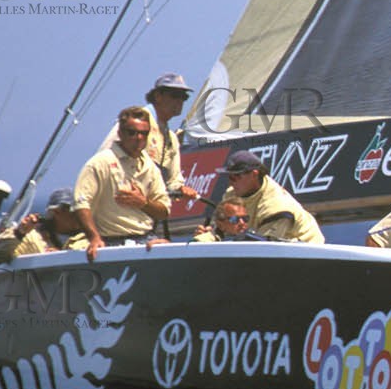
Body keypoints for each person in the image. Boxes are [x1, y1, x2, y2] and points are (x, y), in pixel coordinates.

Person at [75, 107, 171, 261]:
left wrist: (143, 203)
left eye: (143, 133)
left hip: (146, 239)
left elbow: (164, 211)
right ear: (120, 133)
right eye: (132, 132)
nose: (138, 137)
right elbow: (81, 204)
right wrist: (94, 238)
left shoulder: (150, 167)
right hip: (110, 242)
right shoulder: (100, 163)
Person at [101, 72, 198, 204]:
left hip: (145, 205)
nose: (180, 101)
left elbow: (173, 180)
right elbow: (105, 155)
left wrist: (181, 188)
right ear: (158, 96)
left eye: (184, 97)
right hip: (120, 200)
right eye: (175, 95)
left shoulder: (171, 138)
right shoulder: (135, 122)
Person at [218, 150, 324, 244]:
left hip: (308, 252)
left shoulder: (276, 205)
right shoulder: (231, 194)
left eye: (236, 177)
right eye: (229, 177)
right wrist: (205, 237)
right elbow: (220, 228)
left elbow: (264, 249)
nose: (231, 182)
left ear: (254, 174)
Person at [0, 187, 87, 264]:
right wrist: (19, 233)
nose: (79, 214)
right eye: (73, 210)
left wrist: (60, 256)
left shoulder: (89, 237)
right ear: (56, 212)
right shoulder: (31, 238)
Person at [191, 200, 264, 242]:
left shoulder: (257, 241)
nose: (242, 223)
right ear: (220, 225)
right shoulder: (205, 242)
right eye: (235, 219)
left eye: (245, 218)